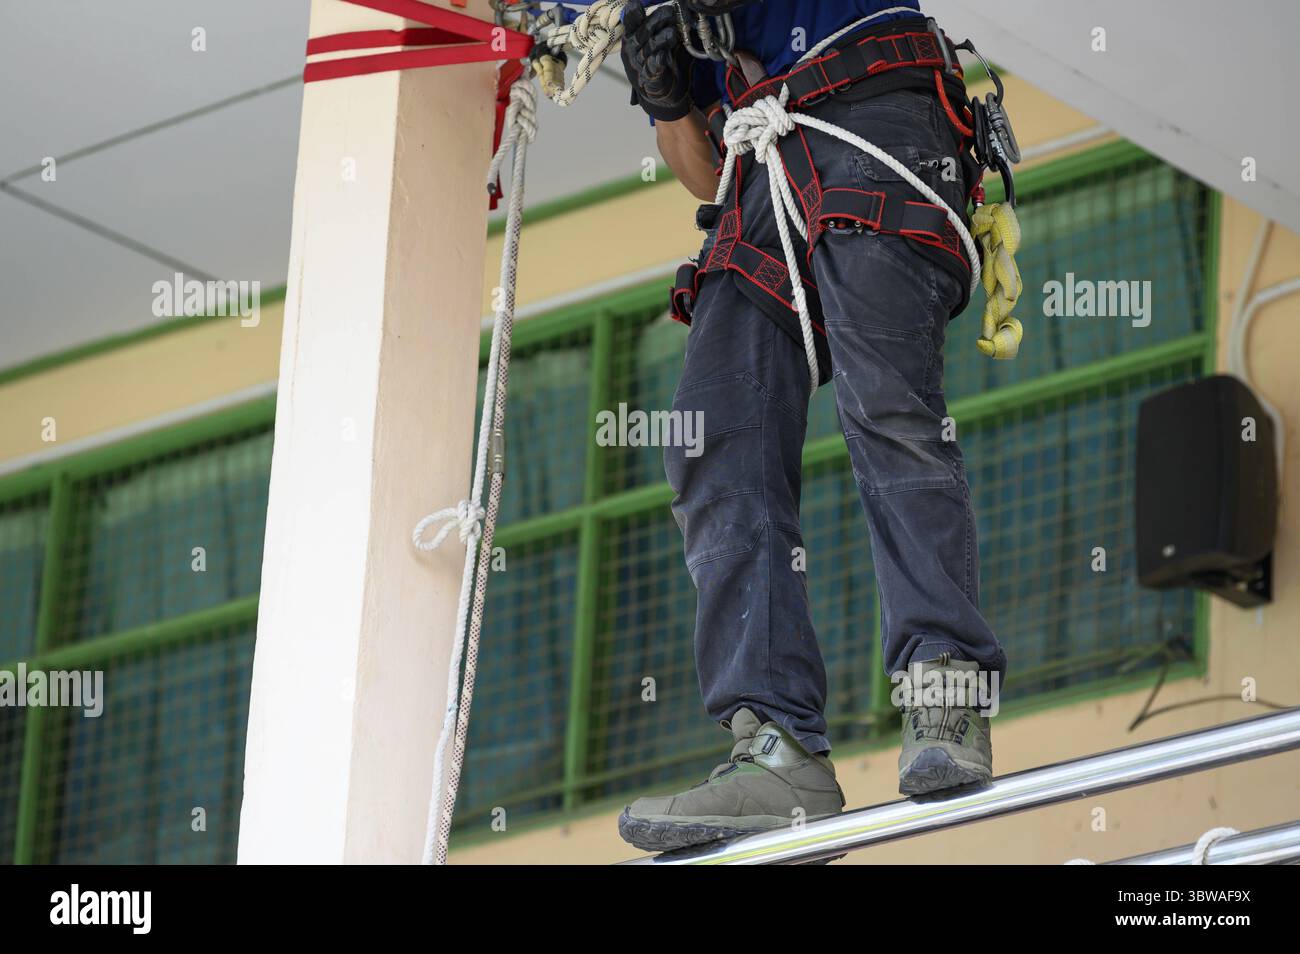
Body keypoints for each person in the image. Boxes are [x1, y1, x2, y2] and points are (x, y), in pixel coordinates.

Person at [615, 0, 1009, 853]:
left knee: (886, 403)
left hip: (876, 108)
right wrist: (667, 99)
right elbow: (700, 170)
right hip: (763, 165)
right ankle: (776, 748)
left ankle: (945, 690)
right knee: (712, 436)